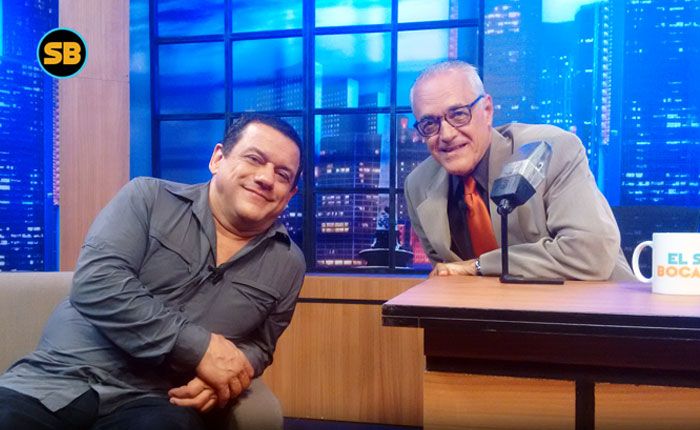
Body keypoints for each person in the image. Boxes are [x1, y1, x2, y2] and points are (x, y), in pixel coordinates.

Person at [0, 114, 306, 430]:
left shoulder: (288, 264)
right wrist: (199, 348)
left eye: (282, 174)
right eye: (254, 159)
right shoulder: (148, 198)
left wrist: (234, 371)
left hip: (158, 400)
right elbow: (96, 282)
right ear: (218, 158)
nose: (266, 178)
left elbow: (260, 346)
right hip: (58, 378)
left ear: (290, 194)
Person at [405, 60, 634, 281]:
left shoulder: (551, 150)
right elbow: (449, 275)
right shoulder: (418, 186)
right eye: (429, 124)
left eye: (458, 115)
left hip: (596, 304)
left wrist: (479, 266)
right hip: (496, 307)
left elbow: (590, 252)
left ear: (487, 110)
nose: (446, 134)